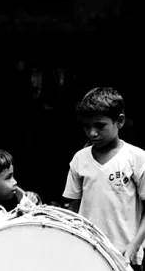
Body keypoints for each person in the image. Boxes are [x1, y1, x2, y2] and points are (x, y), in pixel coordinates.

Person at [62, 87, 145, 271]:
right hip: (88, 253)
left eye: (100, 126)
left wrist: (133, 247)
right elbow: (72, 211)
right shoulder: (79, 159)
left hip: (125, 257)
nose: (92, 133)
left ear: (120, 121)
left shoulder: (136, 158)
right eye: (86, 126)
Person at [0, 148, 41, 215]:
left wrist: (28, 197)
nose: (15, 182)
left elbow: (30, 200)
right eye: (8, 177)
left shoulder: (10, 195)